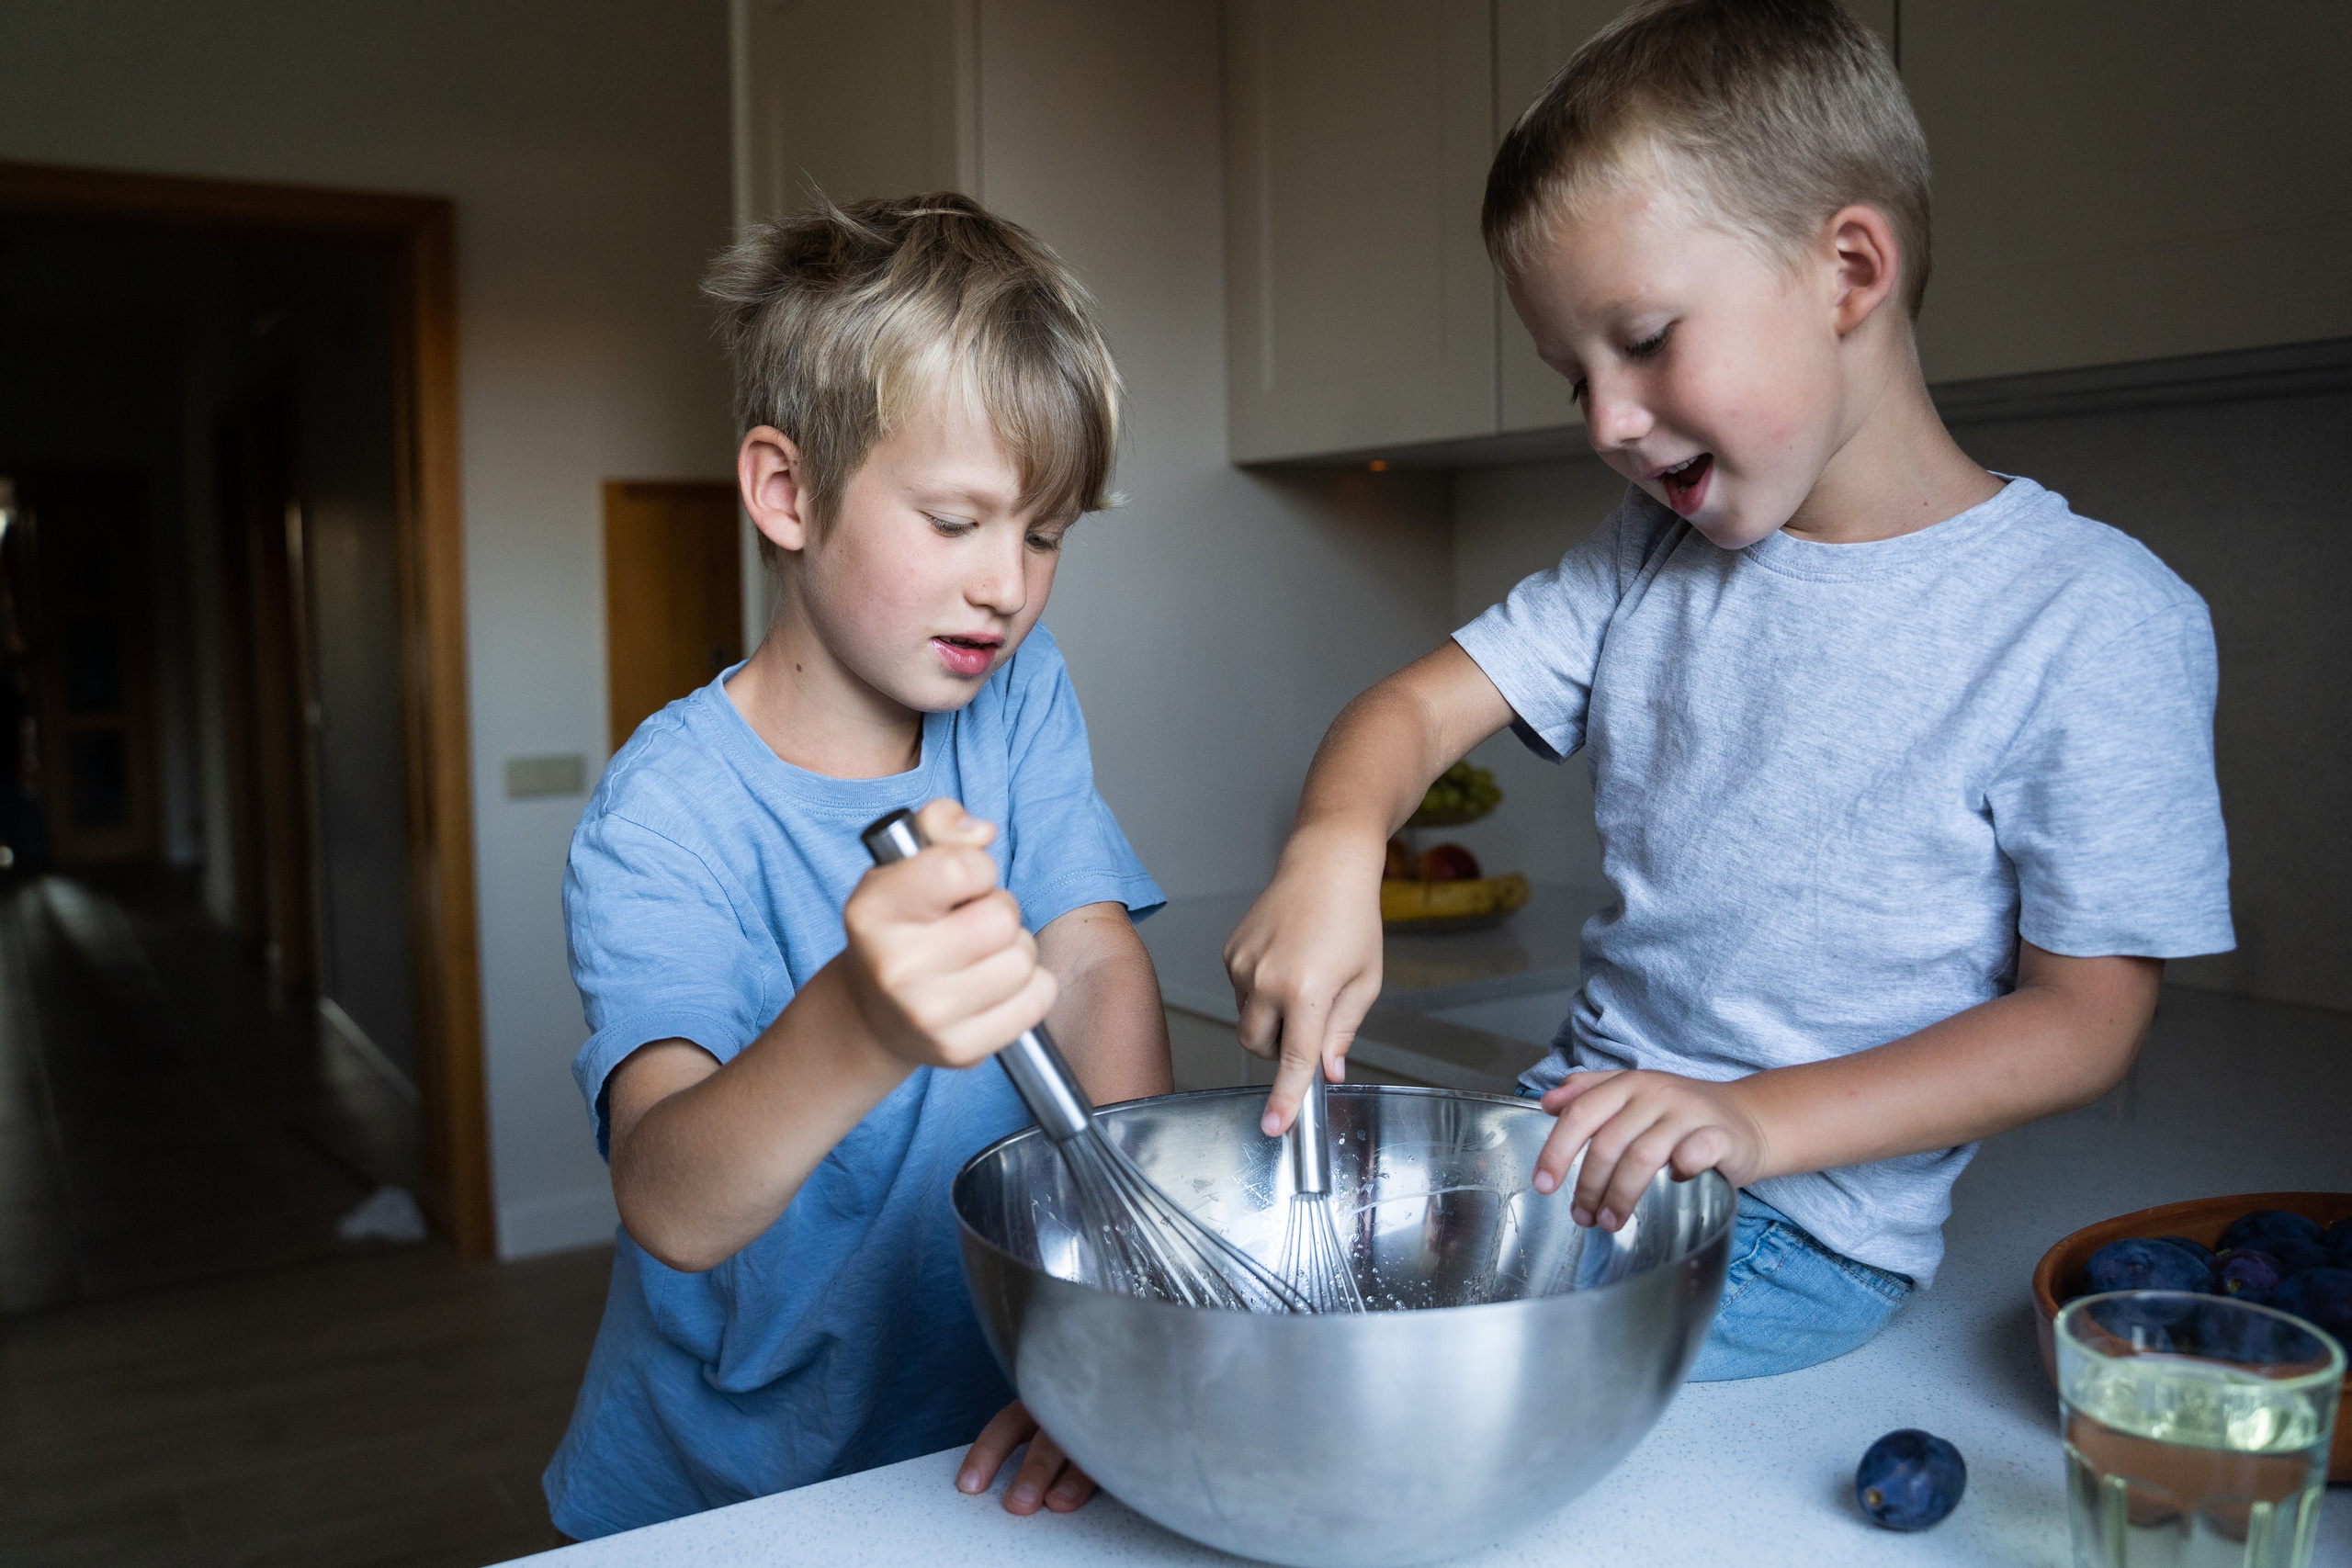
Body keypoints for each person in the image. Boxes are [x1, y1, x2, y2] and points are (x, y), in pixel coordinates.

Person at [1224, 0, 2232, 1380]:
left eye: (1643, 338)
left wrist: (1752, 1121)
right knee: (1245, 1269)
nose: (1605, 420)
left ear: (1850, 269)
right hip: (1575, 1144)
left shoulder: (2090, 617)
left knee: (1320, 1372)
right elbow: (1409, 714)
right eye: (1572, 373)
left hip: (1792, 1225)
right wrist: (1337, 843)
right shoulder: (1649, 557)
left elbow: (2084, 1023)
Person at [544, 193, 1168, 1539]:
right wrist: (862, 1022)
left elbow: (1091, 956)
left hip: (979, 1436)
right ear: (787, 491)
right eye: (956, 521)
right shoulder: (668, 812)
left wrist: (1123, 1319)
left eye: (1045, 534)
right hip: (730, 1489)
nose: (1008, 584)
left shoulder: (1017, 697)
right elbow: (670, 1195)